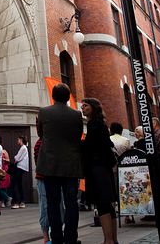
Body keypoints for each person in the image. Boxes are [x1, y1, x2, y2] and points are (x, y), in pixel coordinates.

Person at [37, 83, 84, 244]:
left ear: (53, 96)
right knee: (71, 203)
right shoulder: (76, 115)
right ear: (67, 96)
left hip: (50, 165)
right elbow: (78, 137)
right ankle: (71, 238)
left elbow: (41, 134)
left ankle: (56, 238)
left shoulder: (44, 112)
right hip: (71, 165)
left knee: (53, 203)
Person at [80, 98, 119, 244]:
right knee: (108, 204)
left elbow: (92, 146)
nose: (83, 108)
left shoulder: (94, 124)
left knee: (102, 203)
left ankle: (108, 240)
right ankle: (112, 239)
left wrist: (81, 143)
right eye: (82, 106)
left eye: (85, 106)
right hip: (104, 167)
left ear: (93, 107)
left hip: (98, 168)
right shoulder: (100, 123)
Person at [10, 136, 29, 209]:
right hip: (21, 167)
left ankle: (16, 202)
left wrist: (15, 157)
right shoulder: (24, 148)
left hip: (20, 167)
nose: (17, 141)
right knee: (19, 184)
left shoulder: (23, 148)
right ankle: (22, 201)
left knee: (13, 184)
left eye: (18, 139)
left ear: (21, 140)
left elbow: (17, 158)